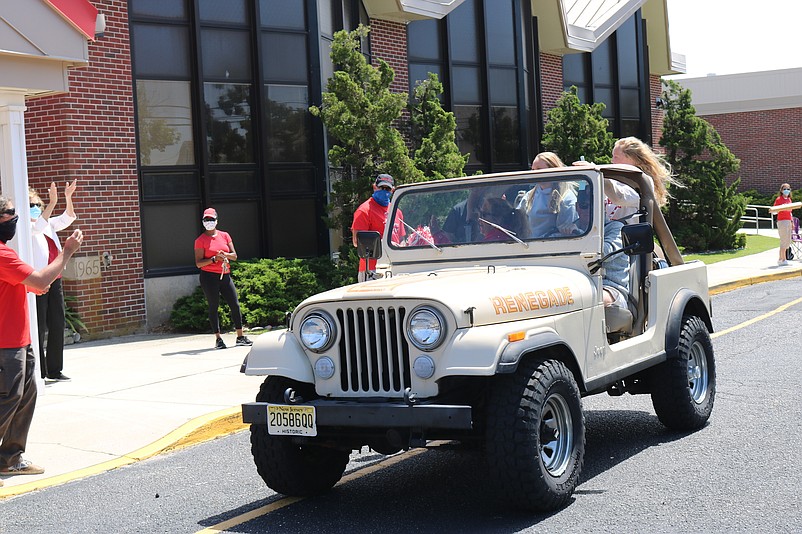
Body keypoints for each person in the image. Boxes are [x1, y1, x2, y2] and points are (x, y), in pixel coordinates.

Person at [0, 195, 83, 482]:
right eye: (10, 215)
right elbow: (38, 279)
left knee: (25, 395)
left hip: (18, 339)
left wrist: (31, 286)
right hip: (5, 344)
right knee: (8, 400)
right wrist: (68, 251)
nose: (15, 220)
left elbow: (25, 283)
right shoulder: (1, 253)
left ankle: (9, 459)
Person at [30, 181, 77, 382]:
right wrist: (52, 203)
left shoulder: (47, 223)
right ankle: (40, 371)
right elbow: (38, 225)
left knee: (58, 323)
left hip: (54, 277)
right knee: (39, 325)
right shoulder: (25, 225)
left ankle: (54, 370)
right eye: (32, 205)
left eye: (37, 205)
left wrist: (67, 197)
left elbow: (68, 218)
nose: (35, 209)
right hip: (37, 279)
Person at [193, 208, 252, 350]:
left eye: (211, 219)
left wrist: (224, 254)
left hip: (225, 275)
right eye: (206, 220)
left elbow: (234, 255)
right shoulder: (200, 240)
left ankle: (240, 336)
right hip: (209, 277)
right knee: (214, 306)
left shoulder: (225, 235)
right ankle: (218, 339)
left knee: (235, 304)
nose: (209, 222)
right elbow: (199, 263)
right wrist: (214, 259)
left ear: (217, 220)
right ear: (203, 221)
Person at [351, 174, 405, 281]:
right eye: (381, 188)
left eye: (387, 188)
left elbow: (402, 239)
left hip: (394, 267)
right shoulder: (364, 210)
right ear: (375, 187)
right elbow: (357, 242)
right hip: (371, 269)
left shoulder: (397, 212)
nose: (384, 191)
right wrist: (382, 244)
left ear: (393, 190)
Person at [607, 137, 676, 220]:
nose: (612, 161)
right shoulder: (614, 181)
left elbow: (619, 197)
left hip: (627, 231)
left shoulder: (641, 181)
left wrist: (598, 176)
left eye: (616, 157)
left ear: (632, 159)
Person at [517, 152, 579, 237]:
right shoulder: (530, 195)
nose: (534, 174)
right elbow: (517, 219)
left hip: (552, 247)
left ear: (553, 170)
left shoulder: (566, 198)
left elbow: (565, 232)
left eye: (539, 169)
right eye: (533, 170)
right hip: (527, 246)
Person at [773, 183, 794, 266]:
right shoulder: (779, 199)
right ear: (781, 190)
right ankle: (783, 259)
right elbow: (774, 211)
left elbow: (790, 212)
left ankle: (781, 258)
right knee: (783, 240)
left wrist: (792, 222)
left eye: (788, 189)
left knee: (787, 240)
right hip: (782, 221)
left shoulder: (789, 200)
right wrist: (781, 207)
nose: (787, 191)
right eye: (785, 189)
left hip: (788, 220)